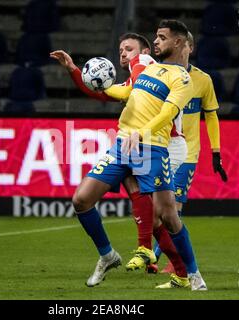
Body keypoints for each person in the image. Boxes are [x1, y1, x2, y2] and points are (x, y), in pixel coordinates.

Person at [69, 19, 207, 291]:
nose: (155, 42)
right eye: (155, 37)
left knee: (167, 216)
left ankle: (192, 275)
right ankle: (108, 255)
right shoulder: (145, 68)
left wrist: (141, 132)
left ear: (178, 42)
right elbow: (120, 91)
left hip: (153, 148)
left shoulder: (182, 78)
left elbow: (169, 112)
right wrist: (80, 75)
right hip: (122, 146)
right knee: (81, 199)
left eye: (161, 37)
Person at [50, 33, 189, 280]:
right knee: (83, 200)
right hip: (128, 144)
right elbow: (104, 93)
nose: (123, 54)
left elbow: (123, 85)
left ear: (145, 51)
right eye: (120, 49)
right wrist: (74, 69)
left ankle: (175, 265)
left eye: (129, 49)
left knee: (160, 216)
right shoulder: (136, 81)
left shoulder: (147, 66)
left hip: (159, 145)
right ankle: (116, 255)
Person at [154, 31, 227, 275]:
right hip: (159, 148)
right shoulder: (158, 74)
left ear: (189, 48)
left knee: (174, 206)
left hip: (187, 152)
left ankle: (172, 263)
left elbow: (212, 115)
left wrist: (216, 151)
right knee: (157, 208)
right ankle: (154, 254)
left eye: (185, 45)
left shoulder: (203, 80)